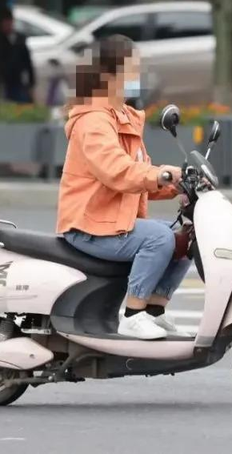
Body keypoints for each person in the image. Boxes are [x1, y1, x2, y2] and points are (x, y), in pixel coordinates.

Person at [56, 35, 190, 340]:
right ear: (109, 75)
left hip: (113, 221)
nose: (137, 77)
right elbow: (116, 171)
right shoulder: (93, 121)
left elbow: (139, 179)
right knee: (158, 238)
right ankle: (132, 314)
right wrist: (161, 175)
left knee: (187, 239)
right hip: (88, 225)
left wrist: (177, 185)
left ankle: (154, 311)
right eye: (132, 69)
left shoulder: (124, 118)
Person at [0, 7, 36, 103]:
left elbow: (27, 62)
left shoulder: (20, 39)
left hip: (19, 81)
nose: (6, 25)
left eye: (8, 22)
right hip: (5, 81)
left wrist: (31, 82)